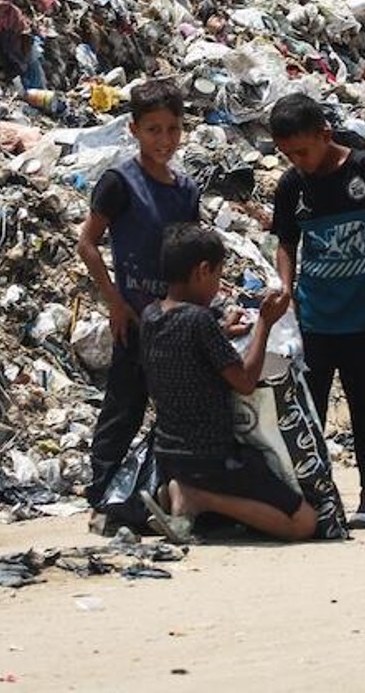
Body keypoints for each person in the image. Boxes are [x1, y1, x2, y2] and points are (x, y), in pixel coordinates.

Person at [268, 93, 365, 529]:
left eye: (303, 151)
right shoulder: (292, 185)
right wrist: (286, 291)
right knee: (309, 412)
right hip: (314, 319)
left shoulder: (363, 170)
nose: (298, 161)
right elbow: (286, 244)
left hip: (361, 317)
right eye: (288, 154)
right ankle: (317, 495)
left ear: (324, 135)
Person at [138, 224, 316, 543]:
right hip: (212, 458)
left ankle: (180, 492)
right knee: (304, 523)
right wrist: (264, 322)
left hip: (168, 453)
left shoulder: (151, 316)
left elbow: (186, 349)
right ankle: (198, 499)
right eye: (218, 275)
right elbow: (245, 381)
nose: (219, 285)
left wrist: (221, 330)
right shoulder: (199, 320)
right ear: (202, 271)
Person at [76, 79, 200, 511]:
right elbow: (88, 243)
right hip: (134, 318)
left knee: (177, 411)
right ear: (133, 130)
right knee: (124, 407)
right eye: (153, 130)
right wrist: (116, 302)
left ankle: (165, 492)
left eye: (171, 128)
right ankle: (101, 491)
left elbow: (193, 256)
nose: (164, 139)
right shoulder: (120, 182)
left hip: (175, 322)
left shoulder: (185, 190)